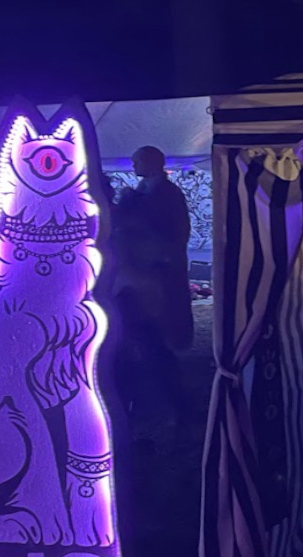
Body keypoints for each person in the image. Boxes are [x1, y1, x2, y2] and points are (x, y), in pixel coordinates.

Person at [111, 147, 195, 425]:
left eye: (137, 160)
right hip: (142, 277)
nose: (133, 164)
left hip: (156, 277)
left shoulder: (167, 194)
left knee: (154, 339)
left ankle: (174, 404)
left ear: (151, 162)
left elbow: (171, 234)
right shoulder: (147, 191)